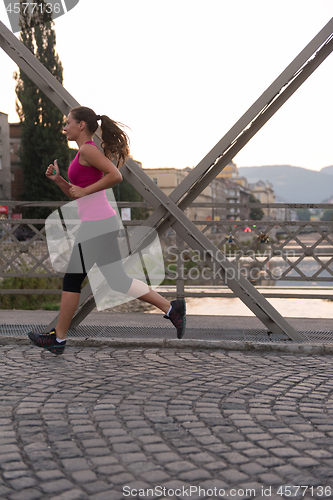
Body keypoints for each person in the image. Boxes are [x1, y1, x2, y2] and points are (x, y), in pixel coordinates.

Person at [28, 106, 186, 355]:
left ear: (81, 125)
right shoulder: (84, 152)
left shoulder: (89, 149)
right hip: (102, 221)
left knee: (72, 279)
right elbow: (76, 193)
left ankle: (57, 338)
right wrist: (59, 179)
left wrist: (85, 190)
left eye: (68, 122)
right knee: (117, 279)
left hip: (97, 223)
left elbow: (115, 176)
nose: (65, 126)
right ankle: (171, 309)